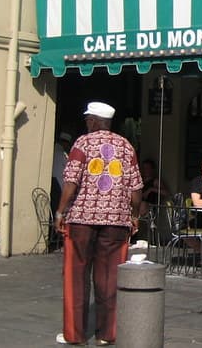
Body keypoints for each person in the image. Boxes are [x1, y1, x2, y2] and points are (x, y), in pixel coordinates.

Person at [53, 101, 143, 346]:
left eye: (87, 120)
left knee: (76, 275)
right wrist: (134, 216)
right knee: (111, 277)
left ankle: (75, 334)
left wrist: (61, 211)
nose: (86, 123)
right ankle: (107, 334)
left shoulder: (82, 143)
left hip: (82, 220)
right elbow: (136, 189)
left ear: (93, 120)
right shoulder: (126, 146)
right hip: (116, 221)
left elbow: (71, 180)